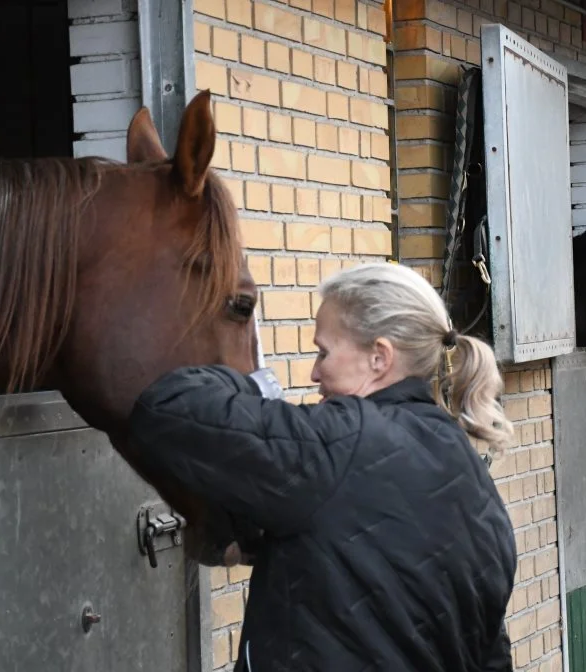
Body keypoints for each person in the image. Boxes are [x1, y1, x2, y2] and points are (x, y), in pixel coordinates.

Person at [127, 262, 517, 671]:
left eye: (323, 352)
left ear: (379, 358)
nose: (314, 373)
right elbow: (489, 654)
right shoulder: (477, 485)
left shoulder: (339, 440)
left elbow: (164, 410)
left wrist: (254, 385)